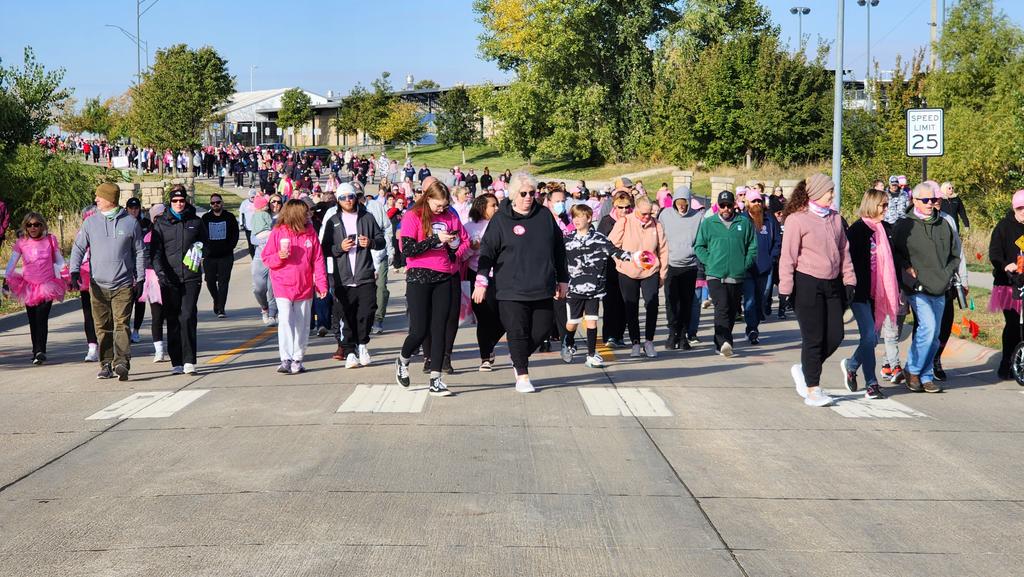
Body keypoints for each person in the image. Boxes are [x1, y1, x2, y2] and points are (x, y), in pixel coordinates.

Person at [474, 172, 569, 393]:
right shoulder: (501, 219)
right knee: (517, 331)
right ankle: (523, 375)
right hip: (510, 287)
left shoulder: (544, 215)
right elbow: (488, 249)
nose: (528, 197)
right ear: (513, 195)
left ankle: (517, 357)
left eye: (532, 193)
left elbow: (558, 249)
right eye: (523, 193)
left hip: (542, 285)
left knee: (542, 328)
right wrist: (481, 280)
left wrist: (563, 279)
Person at [779, 174, 857, 407]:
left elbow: (844, 251)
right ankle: (813, 390)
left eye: (832, 191)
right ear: (815, 193)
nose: (832, 195)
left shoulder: (835, 219)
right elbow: (787, 257)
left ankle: (804, 370)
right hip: (807, 284)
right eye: (828, 192)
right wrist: (785, 288)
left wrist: (849, 280)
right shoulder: (797, 220)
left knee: (836, 335)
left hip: (832, 283)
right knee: (813, 338)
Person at [395, 177, 468, 396]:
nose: (442, 209)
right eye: (438, 205)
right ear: (427, 199)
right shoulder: (412, 216)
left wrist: (455, 249)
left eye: (445, 205)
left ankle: (436, 379)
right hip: (418, 277)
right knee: (419, 330)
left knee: (440, 330)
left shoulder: (450, 217)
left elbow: (463, 242)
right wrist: (435, 239)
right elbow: (407, 250)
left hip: (444, 276)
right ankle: (402, 360)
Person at [69, 182, 145, 380]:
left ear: (110, 199)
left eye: (99, 197)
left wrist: (141, 278)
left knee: (122, 324)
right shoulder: (90, 223)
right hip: (98, 284)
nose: (96, 200)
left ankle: (121, 362)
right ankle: (105, 364)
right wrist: (74, 271)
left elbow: (139, 252)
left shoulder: (130, 222)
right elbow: (78, 248)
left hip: (124, 284)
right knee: (102, 327)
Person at [891, 182, 960, 394]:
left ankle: (924, 374)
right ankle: (913, 371)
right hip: (916, 287)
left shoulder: (944, 224)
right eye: (925, 200)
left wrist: (947, 273)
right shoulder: (904, 225)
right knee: (927, 328)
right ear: (915, 201)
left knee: (935, 335)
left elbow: (955, 254)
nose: (931, 204)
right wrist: (907, 267)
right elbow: (895, 254)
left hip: (940, 287)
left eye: (933, 200)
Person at [843, 189, 900, 400]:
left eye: (887, 205)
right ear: (871, 205)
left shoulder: (886, 229)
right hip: (860, 293)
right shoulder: (857, 230)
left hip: (881, 293)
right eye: (882, 205)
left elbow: (894, 261)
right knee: (868, 336)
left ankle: (852, 364)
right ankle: (871, 383)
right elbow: (847, 262)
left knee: (872, 339)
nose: (886, 209)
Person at [321, 186, 385, 368]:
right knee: (346, 315)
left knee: (367, 311)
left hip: (365, 274)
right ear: (338, 200)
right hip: (343, 277)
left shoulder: (367, 218)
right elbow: (325, 248)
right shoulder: (333, 221)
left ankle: (362, 345)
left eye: (351, 196)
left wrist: (370, 242)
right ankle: (349, 351)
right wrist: (340, 247)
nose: (348, 200)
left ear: (356, 198)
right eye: (343, 197)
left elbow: (381, 241)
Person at [562, 204, 634, 367]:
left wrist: (635, 257)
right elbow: (558, 262)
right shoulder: (567, 240)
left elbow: (616, 251)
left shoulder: (600, 239)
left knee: (592, 321)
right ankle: (569, 341)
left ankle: (591, 355)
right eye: (574, 217)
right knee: (572, 322)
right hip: (574, 289)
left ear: (589, 218)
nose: (577, 220)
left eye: (580, 216)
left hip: (594, 288)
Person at [262, 199, 328, 374]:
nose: (308, 215)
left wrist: (321, 284)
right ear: (295, 214)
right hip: (282, 284)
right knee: (285, 320)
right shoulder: (278, 232)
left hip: (304, 285)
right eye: (305, 212)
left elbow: (318, 260)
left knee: (302, 323)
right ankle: (286, 358)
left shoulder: (310, 233)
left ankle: (297, 358)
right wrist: (279, 256)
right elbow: (266, 258)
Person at [150, 185, 206, 376]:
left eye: (182, 200)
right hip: (169, 279)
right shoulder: (161, 224)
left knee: (187, 316)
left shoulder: (195, 222)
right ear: (170, 203)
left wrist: (200, 248)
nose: (179, 204)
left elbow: (206, 245)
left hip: (191, 276)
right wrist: (161, 273)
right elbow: (155, 253)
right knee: (173, 318)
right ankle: (177, 361)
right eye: (175, 201)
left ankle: (189, 360)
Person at [694, 190, 756, 358]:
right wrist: (710, 261)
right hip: (715, 275)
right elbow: (699, 246)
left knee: (732, 311)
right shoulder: (708, 223)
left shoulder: (743, 223)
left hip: (737, 274)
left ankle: (719, 341)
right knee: (722, 307)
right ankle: (725, 342)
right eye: (722, 205)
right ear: (718, 207)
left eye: (729, 205)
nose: (726, 208)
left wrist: (745, 264)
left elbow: (752, 246)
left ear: (734, 205)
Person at [608, 197, 668, 358]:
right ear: (636, 210)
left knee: (652, 303)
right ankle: (635, 342)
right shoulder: (625, 222)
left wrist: (662, 273)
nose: (647, 217)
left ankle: (649, 341)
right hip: (628, 271)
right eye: (643, 214)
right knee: (631, 306)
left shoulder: (657, 224)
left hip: (650, 270)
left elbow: (663, 250)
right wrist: (620, 261)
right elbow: (611, 245)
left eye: (650, 213)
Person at [3, 213, 66, 364]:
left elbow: (59, 260)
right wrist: (6, 279)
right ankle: (35, 350)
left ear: (42, 225)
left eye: (36, 224)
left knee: (42, 318)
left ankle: (40, 351)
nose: (33, 228)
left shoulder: (50, 240)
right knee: (32, 319)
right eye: (29, 225)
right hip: (28, 286)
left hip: (47, 285)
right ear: (25, 226)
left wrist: (67, 274)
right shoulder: (22, 242)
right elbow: (12, 262)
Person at [659, 187, 702, 350]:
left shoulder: (698, 217)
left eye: (685, 203)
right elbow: (660, 238)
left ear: (689, 202)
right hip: (670, 265)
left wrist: (697, 257)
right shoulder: (665, 215)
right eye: (679, 203)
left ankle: (683, 335)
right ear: (674, 202)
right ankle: (672, 333)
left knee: (686, 302)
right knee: (671, 302)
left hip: (689, 266)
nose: (682, 206)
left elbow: (701, 240)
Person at [464, 193, 503, 371]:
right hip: (477, 276)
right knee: (484, 318)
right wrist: (472, 248)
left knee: (503, 317)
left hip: (501, 277)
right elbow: (461, 256)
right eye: (492, 205)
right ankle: (485, 357)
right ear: (481, 207)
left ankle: (491, 343)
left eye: (497, 205)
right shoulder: (469, 227)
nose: (496, 208)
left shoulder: (503, 224)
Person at [989, 190, 1024, 380]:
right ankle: (1006, 363)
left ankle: (1020, 360)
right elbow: (994, 253)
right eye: (1020, 208)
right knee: (1013, 324)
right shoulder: (1004, 227)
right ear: (1014, 208)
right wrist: (1005, 265)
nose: (1023, 211)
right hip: (1008, 284)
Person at [741, 190, 781, 344]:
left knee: (762, 299)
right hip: (747, 268)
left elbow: (777, 241)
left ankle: (753, 325)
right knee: (750, 300)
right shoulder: (742, 220)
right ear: (747, 204)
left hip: (765, 268)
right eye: (753, 201)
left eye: (759, 201)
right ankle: (752, 329)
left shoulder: (770, 220)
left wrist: (772, 258)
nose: (757, 204)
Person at [597, 192, 633, 348]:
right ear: (614, 206)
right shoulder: (607, 221)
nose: (624, 210)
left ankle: (619, 335)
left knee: (625, 303)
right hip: (610, 269)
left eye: (627, 207)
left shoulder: (633, 221)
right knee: (610, 303)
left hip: (627, 268)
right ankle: (609, 335)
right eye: (621, 207)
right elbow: (600, 243)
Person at [201, 194, 239, 318]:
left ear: (222, 203)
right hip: (210, 256)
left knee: (223, 282)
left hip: (226, 256)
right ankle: (216, 300)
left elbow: (235, 235)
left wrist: (229, 247)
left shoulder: (229, 217)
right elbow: (201, 235)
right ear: (210, 205)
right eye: (213, 203)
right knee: (210, 281)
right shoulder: (206, 218)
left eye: (217, 202)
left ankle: (221, 308)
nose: (215, 204)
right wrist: (205, 250)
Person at [251, 194, 282, 326]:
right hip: (260, 257)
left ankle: (273, 314)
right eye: (272, 201)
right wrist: (269, 238)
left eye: (278, 202)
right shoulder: (260, 217)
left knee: (273, 287)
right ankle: (264, 308)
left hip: (277, 257)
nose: (275, 204)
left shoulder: (284, 218)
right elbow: (253, 239)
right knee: (258, 288)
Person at [124, 197, 151, 343]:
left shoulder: (146, 223)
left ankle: (136, 330)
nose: (134, 211)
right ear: (127, 209)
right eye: (131, 208)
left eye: (136, 208)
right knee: (127, 301)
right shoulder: (123, 224)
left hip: (142, 266)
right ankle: (125, 329)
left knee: (140, 300)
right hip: (127, 267)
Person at [239, 189, 257, 258]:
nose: (253, 198)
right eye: (252, 197)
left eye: (254, 197)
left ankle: (257, 256)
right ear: (249, 197)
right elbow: (241, 213)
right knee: (250, 243)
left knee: (257, 243)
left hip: (257, 227)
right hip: (248, 227)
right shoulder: (244, 203)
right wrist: (241, 223)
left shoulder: (257, 203)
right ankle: (253, 257)